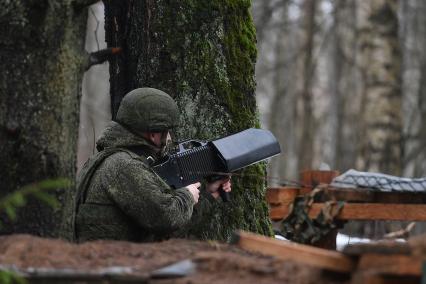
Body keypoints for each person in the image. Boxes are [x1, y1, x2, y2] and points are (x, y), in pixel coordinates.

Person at [69, 87, 231, 242]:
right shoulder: (124, 166)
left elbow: (163, 231)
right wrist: (187, 195)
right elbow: (166, 218)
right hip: (113, 266)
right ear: (153, 134)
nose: (169, 138)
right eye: (167, 131)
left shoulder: (108, 159)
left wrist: (208, 196)